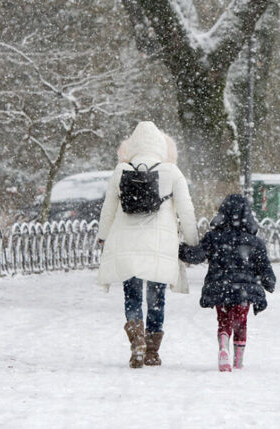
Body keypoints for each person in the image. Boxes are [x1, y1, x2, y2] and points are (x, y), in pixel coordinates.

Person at [96, 121, 198, 369]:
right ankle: (152, 350)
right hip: (160, 244)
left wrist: (103, 236)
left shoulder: (121, 170)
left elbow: (108, 208)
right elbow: (186, 210)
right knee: (156, 297)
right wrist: (193, 242)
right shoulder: (172, 172)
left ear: (132, 145)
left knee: (131, 295)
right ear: (161, 147)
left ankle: (136, 340)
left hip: (126, 243)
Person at [180, 194, 276, 372]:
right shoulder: (255, 242)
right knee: (241, 321)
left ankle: (224, 345)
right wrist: (269, 282)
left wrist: (181, 250)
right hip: (244, 291)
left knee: (224, 320)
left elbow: (196, 255)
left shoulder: (214, 238)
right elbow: (265, 270)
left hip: (220, 287)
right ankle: (238, 360)